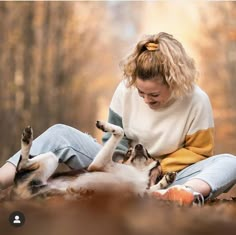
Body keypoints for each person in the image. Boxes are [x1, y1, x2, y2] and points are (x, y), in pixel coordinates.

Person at [1, 32, 236, 205]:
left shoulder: (197, 100)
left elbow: (200, 152)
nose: (145, 100)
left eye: (154, 94)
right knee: (60, 133)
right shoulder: (125, 89)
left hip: (168, 177)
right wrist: (122, 166)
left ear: (175, 82)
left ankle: (182, 194)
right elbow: (113, 141)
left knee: (230, 162)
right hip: (120, 169)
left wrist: (160, 168)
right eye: (141, 93)